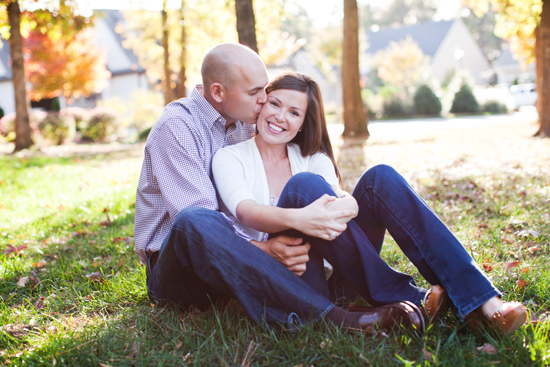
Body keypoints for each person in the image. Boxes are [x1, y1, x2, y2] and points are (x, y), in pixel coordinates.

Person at [212, 72, 529, 334]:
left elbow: (342, 204)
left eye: (294, 112)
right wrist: (303, 218)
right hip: (288, 277)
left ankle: (486, 303)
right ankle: (416, 299)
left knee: (381, 178)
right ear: (262, 104)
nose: (281, 117)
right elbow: (246, 212)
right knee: (303, 187)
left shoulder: (311, 158)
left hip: (339, 280)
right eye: (275, 104)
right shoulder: (230, 157)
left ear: (303, 122)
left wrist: (346, 205)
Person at [134, 43, 419, 332]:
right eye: (255, 92)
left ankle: (416, 298)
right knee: (194, 220)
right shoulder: (178, 127)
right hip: (179, 272)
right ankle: (337, 320)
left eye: (264, 90)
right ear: (218, 92)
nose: (264, 100)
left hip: (244, 257)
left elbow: (298, 159)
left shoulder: (247, 119)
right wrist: (265, 250)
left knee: (346, 183)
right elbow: (203, 228)